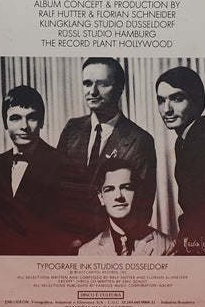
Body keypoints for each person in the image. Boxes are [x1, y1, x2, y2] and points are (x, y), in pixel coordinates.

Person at [57, 57, 157, 253]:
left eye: (102, 84)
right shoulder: (72, 129)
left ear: (120, 89)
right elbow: (55, 189)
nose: (93, 91)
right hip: (64, 243)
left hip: (107, 248)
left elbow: (141, 208)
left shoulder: (140, 140)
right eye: (87, 83)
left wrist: (93, 245)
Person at [155, 66, 205, 255]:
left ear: (196, 100)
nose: (167, 109)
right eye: (161, 100)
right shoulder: (186, 140)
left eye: (177, 99)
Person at [0, 85, 64, 255]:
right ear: (5, 123)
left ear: (42, 122)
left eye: (31, 118)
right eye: (15, 118)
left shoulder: (61, 163)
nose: (24, 126)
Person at [79, 160, 174, 256]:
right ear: (101, 198)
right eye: (109, 189)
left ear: (137, 193)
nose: (118, 196)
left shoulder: (166, 246)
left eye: (126, 187)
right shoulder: (86, 252)